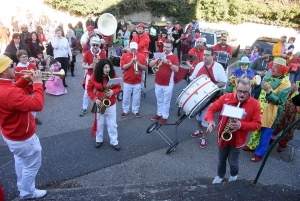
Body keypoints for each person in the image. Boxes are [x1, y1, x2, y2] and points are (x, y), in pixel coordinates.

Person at [0, 54, 47, 199]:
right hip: (23, 138)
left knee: (20, 160)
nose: (14, 67)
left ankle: (22, 186)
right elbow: (37, 105)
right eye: (10, 66)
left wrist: (22, 81)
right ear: (3, 72)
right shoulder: (10, 93)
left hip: (10, 134)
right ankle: (27, 192)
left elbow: (11, 90)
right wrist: (38, 83)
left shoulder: (5, 87)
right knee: (31, 166)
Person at [205, 79, 261, 184]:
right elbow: (211, 109)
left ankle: (233, 176)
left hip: (238, 140)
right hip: (223, 135)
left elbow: (257, 124)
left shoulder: (255, 104)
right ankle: (220, 175)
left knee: (233, 162)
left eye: (245, 92)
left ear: (249, 91)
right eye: (239, 91)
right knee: (221, 160)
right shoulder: (226, 97)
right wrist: (210, 120)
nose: (242, 94)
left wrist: (241, 125)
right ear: (235, 89)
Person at [243, 58, 291, 162]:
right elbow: (259, 90)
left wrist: (269, 92)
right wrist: (256, 85)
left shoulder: (286, 83)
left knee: (266, 133)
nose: (273, 68)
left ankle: (259, 154)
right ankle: (252, 146)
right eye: (273, 65)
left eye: (276, 66)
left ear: (282, 69)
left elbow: (280, 101)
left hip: (272, 112)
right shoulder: (268, 75)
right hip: (260, 107)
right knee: (256, 128)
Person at [190, 47, 227, 148]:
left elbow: (223, 82)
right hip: (198, 97)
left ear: (213, 56)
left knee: (206, 118)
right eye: (204, 55)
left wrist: (212, 86)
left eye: (207, 55)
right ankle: (200, 130)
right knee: (197, 116)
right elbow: (193, 77)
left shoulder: (218, 67)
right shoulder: (199, 65)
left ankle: (204, 137)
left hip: (210, 98)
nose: (204, 57)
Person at [87, 58, 121, 150]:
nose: (107, 69)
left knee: (112, 124)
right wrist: (95, 98)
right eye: (105, 67)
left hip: (111, 104)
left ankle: (114, 141)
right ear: (101, 68)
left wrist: (113, 92)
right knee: (99, 123)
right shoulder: (94, 77)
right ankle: (99, 140)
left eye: (108, 67)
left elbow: (118, 87)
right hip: (99, 103)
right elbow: (89, 89)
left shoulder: (114, 76)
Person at [149, 41, 179, 124]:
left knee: (166, 101)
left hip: (168, 83)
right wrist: (157, 59)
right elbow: (150, 65)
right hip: (158, 82)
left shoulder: (174, 57)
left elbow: (176, 69)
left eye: (168, 47)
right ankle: (159, 113)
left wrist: (168, 63)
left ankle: (165, 116)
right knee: (159, 99)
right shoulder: (159, 54)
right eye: (165, 46)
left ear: (172, 48)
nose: (165, 48)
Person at [79, 34, 106, 116]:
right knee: (87, 92)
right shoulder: (87, 53)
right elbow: (83, 66)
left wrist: (99, 65)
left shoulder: (103, 53)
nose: (95, 46)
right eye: (93, 45)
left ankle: (100, 106)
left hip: (99, 75)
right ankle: (84, 108)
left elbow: (106, 65)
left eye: (97, 45)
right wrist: (90, 66)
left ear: (99, 45)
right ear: (91, 44)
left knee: (100, 90)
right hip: (90, 75)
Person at [120, 42, 147, 118]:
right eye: (132, 49)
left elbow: (145, 68)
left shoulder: (142, 56)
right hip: (127, 81)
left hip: (137, 81)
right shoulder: (125, 55)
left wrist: (138, 64)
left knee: (137, 97)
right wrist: (131, 62)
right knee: (126, 97)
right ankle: (125, 110)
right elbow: (123, 67)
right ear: (129, 49)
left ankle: (135, 110)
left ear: (137, 49)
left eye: (135, 49)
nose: (133, 51)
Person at [271, 84, 300, 152]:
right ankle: (272, 136)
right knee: (279, 122)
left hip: (297, 112)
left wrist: (295, 91)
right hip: (288, 106)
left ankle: (282, 143)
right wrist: (292, 90)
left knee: (290, 128)